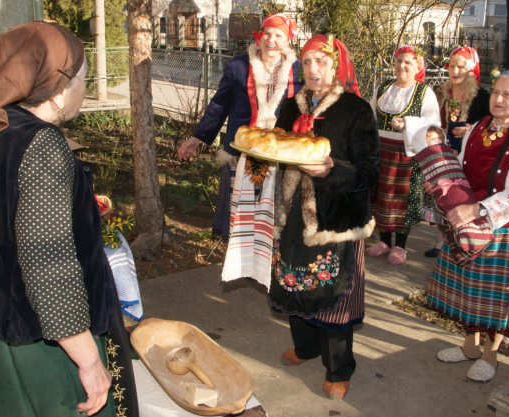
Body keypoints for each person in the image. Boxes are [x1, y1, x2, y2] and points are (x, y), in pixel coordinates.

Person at [0, 22, 138, 416]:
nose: (84, 91)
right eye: (82, 79)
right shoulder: (41, 144)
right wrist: (88, 360)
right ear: (58, 91)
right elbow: (47, 261)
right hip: (39, 345)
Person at [269, 34, 379, 400]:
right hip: (292, 214)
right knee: (294, 282)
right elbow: (277, 147)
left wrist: (331, 171)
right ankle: (305, 348)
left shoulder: (356, 110)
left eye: (322, 62)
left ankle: (338, 367)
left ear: (337, 66)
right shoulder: (290, 107)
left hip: (336, 218)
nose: (313, 70)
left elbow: (369, 174)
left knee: (333, 294)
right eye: (307, 62)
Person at [426, 69, 509, 383]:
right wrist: (443, 183)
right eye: (496, 92)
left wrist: (477, 209)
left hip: (508, 225)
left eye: (508, 94)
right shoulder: (479, 125)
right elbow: (463, 165)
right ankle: (469, 347)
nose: (499, 99)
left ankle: (491, 356)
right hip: (470, 218)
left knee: (498, 295)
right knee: (470, 287)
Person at [177, 13, 303, 241]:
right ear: (259, 35)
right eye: (266, 33)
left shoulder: (299, 69)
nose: (271, 40)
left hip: (280, 154)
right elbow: (219, 104)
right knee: (242, 211)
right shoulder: (238, 66)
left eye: (278, 35)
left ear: (287, 41)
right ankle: (241, 261)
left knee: (273, 212)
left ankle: (268, 262)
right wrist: (197, 137)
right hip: (242, 151)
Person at [366, 45, 441, 265]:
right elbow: (371, 113)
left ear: (418, 65)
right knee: (381, 196)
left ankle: (401, 245)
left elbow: (434, 125)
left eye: (408, 61)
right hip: (381, 151)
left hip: (406, 155)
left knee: (401, 200)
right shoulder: (384, 87)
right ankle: (384, 241)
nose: (402, 65)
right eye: (399, 60)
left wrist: (408, 124)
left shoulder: (424, 92)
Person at [423, 46, 491, 258]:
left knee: (458, 199)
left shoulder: (481, 97)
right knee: (440, 197)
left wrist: (471, 129)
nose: (455, 70)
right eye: (451, 66)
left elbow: (490, 125)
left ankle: (461, 240)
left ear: (470, 69)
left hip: (466, 154)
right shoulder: (441, 92)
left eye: (460, 66)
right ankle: (441, 242)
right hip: (441, 151)